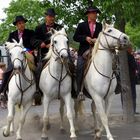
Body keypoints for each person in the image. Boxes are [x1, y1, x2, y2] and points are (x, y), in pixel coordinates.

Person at [0, 15, 35, 95]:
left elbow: (33, 44)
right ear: (16, 25)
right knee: (6, 72)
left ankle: (37, 91)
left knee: (36, 69)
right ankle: (3, 91)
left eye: (23, 23)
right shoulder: (12, 34)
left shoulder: (30, 32)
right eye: (19, 23)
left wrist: (27, 50)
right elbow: (7, 45)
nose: (22, 25)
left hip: (28, 55)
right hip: (16, 57)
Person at [33, 8, 63, 97]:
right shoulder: (38, 28)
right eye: (50, 16)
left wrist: (53, 44)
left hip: (58, 54)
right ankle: (37, 91)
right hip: (44, 54)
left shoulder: (59, 27)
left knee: (70, 67)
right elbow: (34, 39)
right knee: (38, 69)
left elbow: (65, 38)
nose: (52, 18)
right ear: (46, 17)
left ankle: (72, 90)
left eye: (53, 16)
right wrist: (41, 43)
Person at [73, 6, 102, 98]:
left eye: (96, 13)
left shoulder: (100, 25)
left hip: (97, 51)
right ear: (88, 14)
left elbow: (103, 38)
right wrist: (86, 38)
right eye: (93, 13)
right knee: (80, 68)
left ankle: (115, 85)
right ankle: (79, 91)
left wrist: (97, 40)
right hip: (84, 51)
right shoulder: (81, 25)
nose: (95, 14)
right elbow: (75, 37)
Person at [127, 46, 138, 114]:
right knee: (133, 94)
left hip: (126, 79)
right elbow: (134, 66)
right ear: (129, 49)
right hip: (131, 77)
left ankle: (128, 110)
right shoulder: (130, 56)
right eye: (131, 48)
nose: (132, 50)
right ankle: (133, 110)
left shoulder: (123, 56)